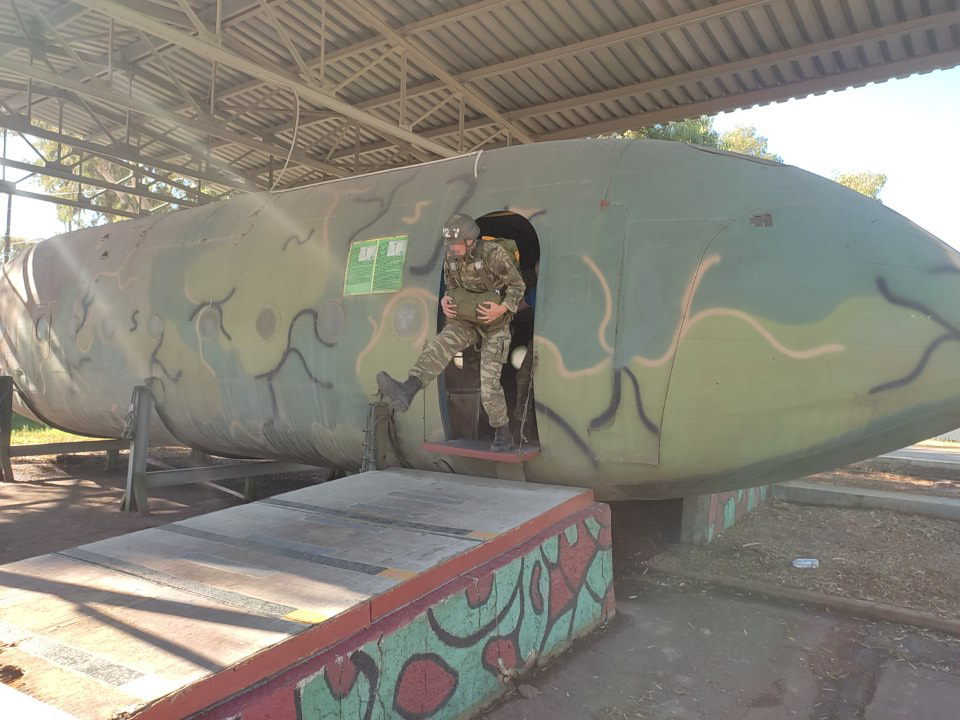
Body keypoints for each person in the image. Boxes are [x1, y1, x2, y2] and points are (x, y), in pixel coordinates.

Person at [377, 213, 525, 452]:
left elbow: (517, 286)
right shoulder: (451, 257)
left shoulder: (493, 254)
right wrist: (446, 301)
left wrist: (502, 308)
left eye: (457, 244)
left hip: (495, 325)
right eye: (450, 244)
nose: (452, 248)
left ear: (470, 240)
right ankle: (408, 389)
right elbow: (453, 286)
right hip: (466, 321)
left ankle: (503, 433)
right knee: (440, 345)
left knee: (489, 384)